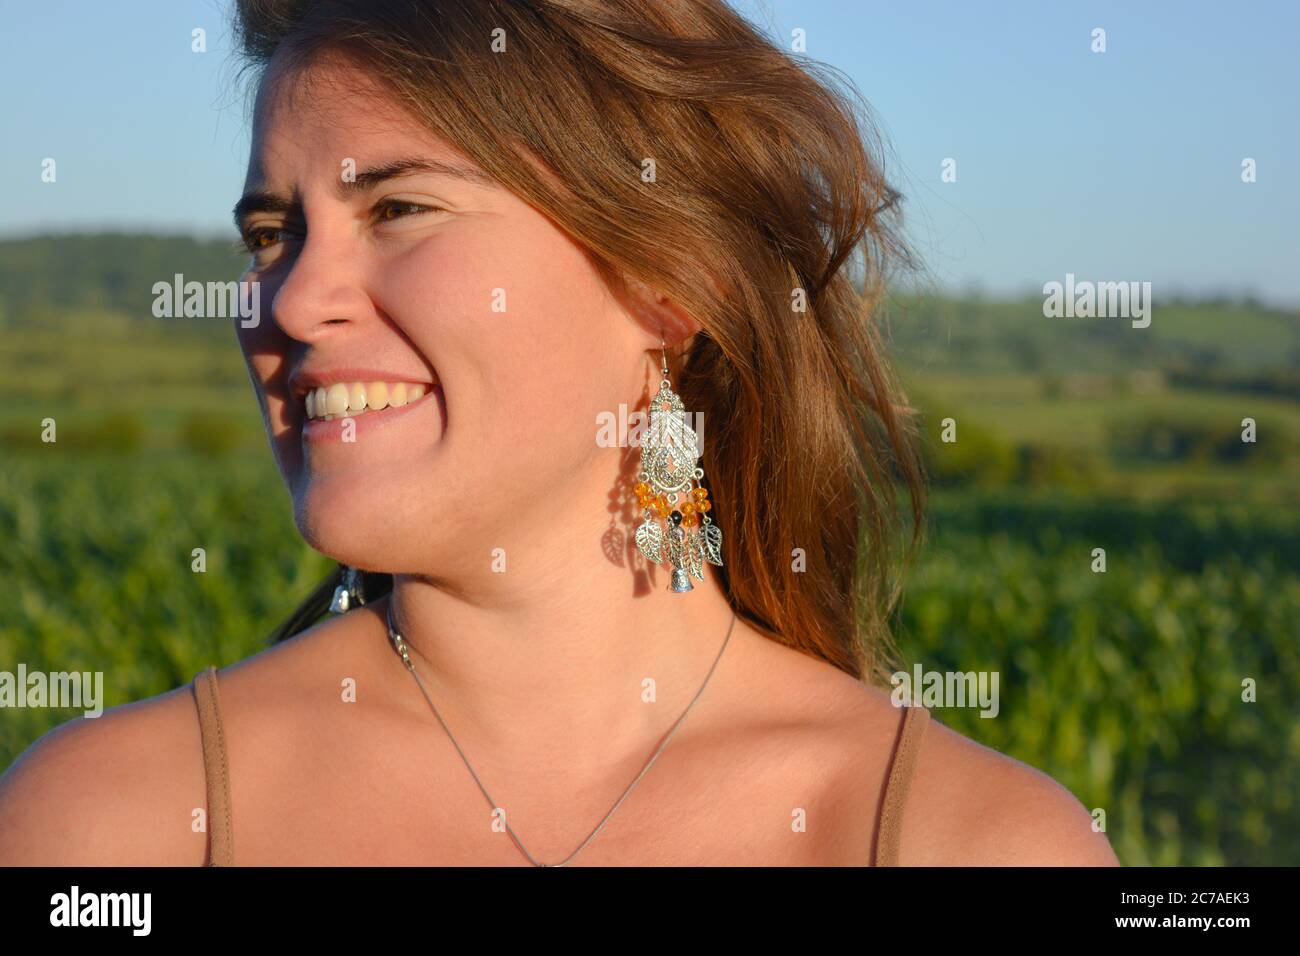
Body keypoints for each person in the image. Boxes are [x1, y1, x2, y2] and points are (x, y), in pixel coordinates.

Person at [0, 0, 1118, 866]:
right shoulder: (111, 824)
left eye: (397, 208)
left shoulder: (967, 839)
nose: (291, 301)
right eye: (271, 233)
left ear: (670, 282)